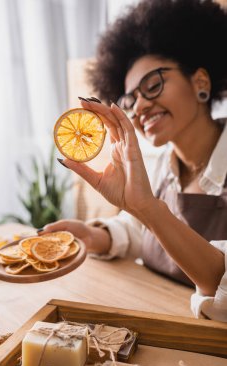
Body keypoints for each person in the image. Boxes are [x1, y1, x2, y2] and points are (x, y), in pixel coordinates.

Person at [40, 0, 227, 321]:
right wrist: (96, 236)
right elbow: (144, 233)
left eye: (152, 85)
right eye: (130, 99)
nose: (139, 107)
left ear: (200, 82)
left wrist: (148, 208)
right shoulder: (159, 166)